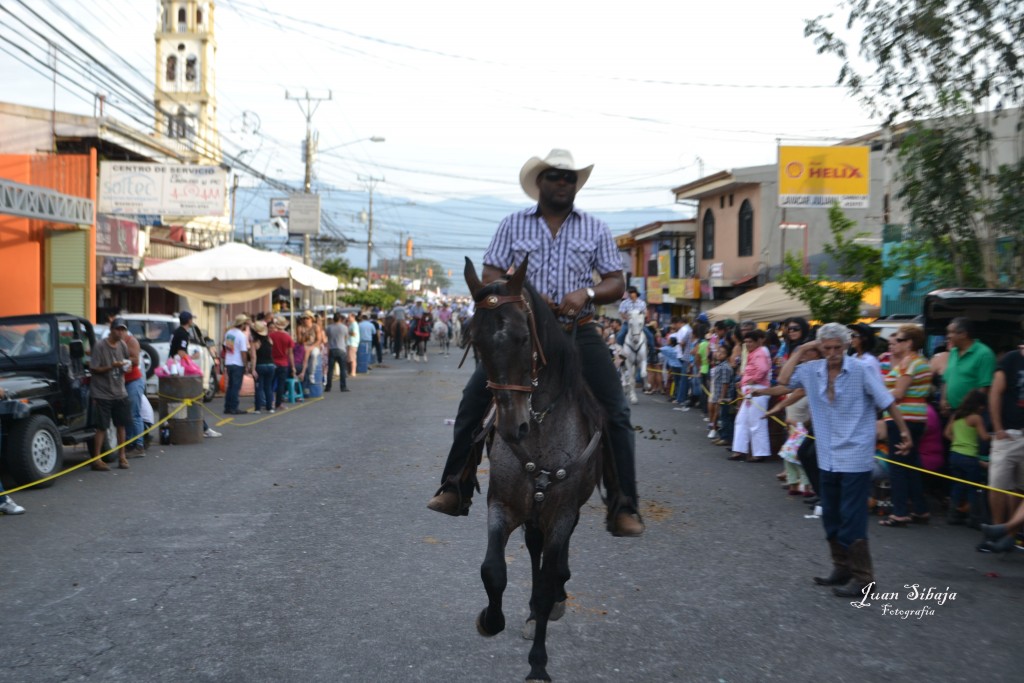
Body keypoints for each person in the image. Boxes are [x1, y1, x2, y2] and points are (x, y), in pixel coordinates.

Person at [426, 148, 644, 536]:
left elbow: (615, 281)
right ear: (539, 182)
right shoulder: (513, 224)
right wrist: (523, 295)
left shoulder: (594, 227)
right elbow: (492, 271)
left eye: (570, 178)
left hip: (578, 330)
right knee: (474, 399)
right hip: (523, 333)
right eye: (556, 176)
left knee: (617, 411)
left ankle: (623, 505)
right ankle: (456, 485)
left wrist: (587, 294)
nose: (563, 183)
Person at [761, 323, 913, 598]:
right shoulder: (811, 371)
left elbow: (888, 401)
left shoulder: (861, 370)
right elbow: (783, 381)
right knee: (830, 512)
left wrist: (903, 432)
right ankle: (841, 566)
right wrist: (802, 349)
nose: (832, 353)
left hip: (855, 455)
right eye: (827, 348)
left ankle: (864, 578)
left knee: (851, 516)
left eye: (837, 348)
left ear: (846, 346)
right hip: (827, 456)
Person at [878, 324, 933, 527]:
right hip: (915, 418)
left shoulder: (909, 363)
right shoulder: (919, 362)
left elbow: (899, 393)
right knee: (910, 465)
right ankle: (920, 509)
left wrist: (878, 394)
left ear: (909, 343)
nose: (894, 343)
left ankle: (899, 512)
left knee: (898, 467)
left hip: (903, 418)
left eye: (899, 340)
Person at [986, 339, 1024, 535]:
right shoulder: (1011, 359)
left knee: (1019, 487)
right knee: (998, 484)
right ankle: (997, 528)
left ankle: (1010, 533)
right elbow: (995, 393)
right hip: (1009, 433)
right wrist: (998, 428)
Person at [89, 318, 133, 471]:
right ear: (111, 329)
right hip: (102, 393)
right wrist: (111, 366)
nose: (120, 332)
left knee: (121, 425)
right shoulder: (100, 346)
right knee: (102, 427)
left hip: (119, 391)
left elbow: (127, 362)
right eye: (118, 329)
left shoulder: (123, 345)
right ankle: (96, 459)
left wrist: (126, 367)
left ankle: (122, 456)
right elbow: (94, 368)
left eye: (123, 330)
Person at [944, 389, 991, 530]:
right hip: (969, 457)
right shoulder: (976, 418)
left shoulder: (956, 416)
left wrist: (958, 442)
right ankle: (974, 518)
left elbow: (946, 433)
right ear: (979, 405)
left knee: (957, 486)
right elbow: (984, 437)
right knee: (972, 488)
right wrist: (995, 436)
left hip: (954, 455)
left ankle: (952, 515)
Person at [172, 312, 221, 437]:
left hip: (175, 368)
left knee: (185, 401)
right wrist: (193, 357)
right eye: (191, 319)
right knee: (192, 398)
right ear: (188, 320)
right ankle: (202, 428)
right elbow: (181, 352)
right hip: (179, 370)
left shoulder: (178, 331)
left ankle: (198, 427)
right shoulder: (183, 333)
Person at [729, 329, 772, 463]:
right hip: (751, 390)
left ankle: (759, 453)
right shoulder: (755, 352)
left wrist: (754, 380)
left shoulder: (760, 352)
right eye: (746, 341)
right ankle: (740, 450)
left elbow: (763, 369)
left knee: (756, 422)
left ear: (758, 341)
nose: (748, 344)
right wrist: (743, 382)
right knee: (742, 420)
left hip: (757, 390)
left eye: (750, 341)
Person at [941, 316, 996, 413]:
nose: (948, 336)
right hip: (950, 411)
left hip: (969, 414)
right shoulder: (953, 352)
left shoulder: (984, 354)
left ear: (963, 334)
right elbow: (947, 379)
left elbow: (984, 387)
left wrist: (969, 410)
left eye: (951, 332)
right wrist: (943, 400)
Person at [223, 314, 252, 415]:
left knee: (230, 386)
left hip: (229, 361)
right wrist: (246, 365)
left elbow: (226, 347)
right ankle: (234, 407)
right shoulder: (241, 335)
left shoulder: (228, 333)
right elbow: (243, 352)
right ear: (242, 324)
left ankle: (227, 406)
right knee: (236, 386)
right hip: (237, 363)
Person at [269, 316, 296, 410]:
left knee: (270, 383)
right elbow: (290, 353)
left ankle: (270, 402)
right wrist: (293, 366)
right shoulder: (288, 337)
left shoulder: (271, 335)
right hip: (283, 363)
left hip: (272, 362)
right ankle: (278, 403)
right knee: (281, 384)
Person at [251, 320, 276, 412]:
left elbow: (253, 357)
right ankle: (270, 407)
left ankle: (258, 408)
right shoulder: (270, 340)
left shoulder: (255, 342)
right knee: (268, 387)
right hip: (270, 365)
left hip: (260, 366)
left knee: (259, 387)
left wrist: (253, 369)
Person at [325, 313, 350, 392]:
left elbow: (327, 336)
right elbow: (346, 337)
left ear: (333, 319)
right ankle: (343, 387)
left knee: (330, 370)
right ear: (340, 319)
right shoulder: (344, 328)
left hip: (332, 349)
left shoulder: (328, 327)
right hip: (341, 349)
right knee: (342, 369)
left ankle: (328, 387)